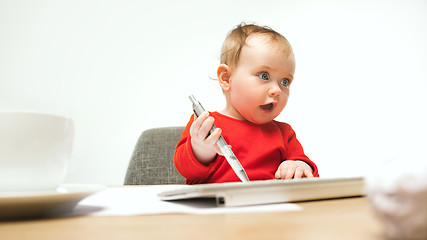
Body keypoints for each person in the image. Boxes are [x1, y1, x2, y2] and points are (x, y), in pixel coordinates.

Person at [174, 23, 319, 184]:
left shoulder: (284, 133)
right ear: (226, 78)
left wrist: (299, 166)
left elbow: (310, 175)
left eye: (285, 81)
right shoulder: (207, 126)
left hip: (270, 207)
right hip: (220, 207)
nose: (277, 90)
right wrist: (201, 149)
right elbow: (186, 169)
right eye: (264, 76)